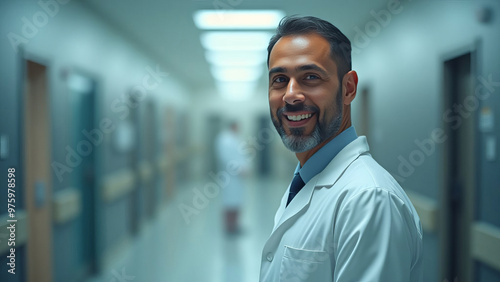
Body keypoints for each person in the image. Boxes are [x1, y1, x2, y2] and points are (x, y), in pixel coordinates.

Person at [260, 16, 423, 282]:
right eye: (279, 79)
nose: (290, 95)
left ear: (348, 88)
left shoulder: (369, 200)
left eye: (310, 77)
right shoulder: (304, 179)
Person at [215, 121, 248, 234]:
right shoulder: (224, 139)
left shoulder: (235, 138)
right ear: (233, 126)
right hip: (229, 177)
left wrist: (244, 168)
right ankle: (228, 227)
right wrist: (239, 169)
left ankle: (235, 226)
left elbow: (242, 156)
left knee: (237, 202)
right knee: (228, 202)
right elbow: (226, 158)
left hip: (238, 178)